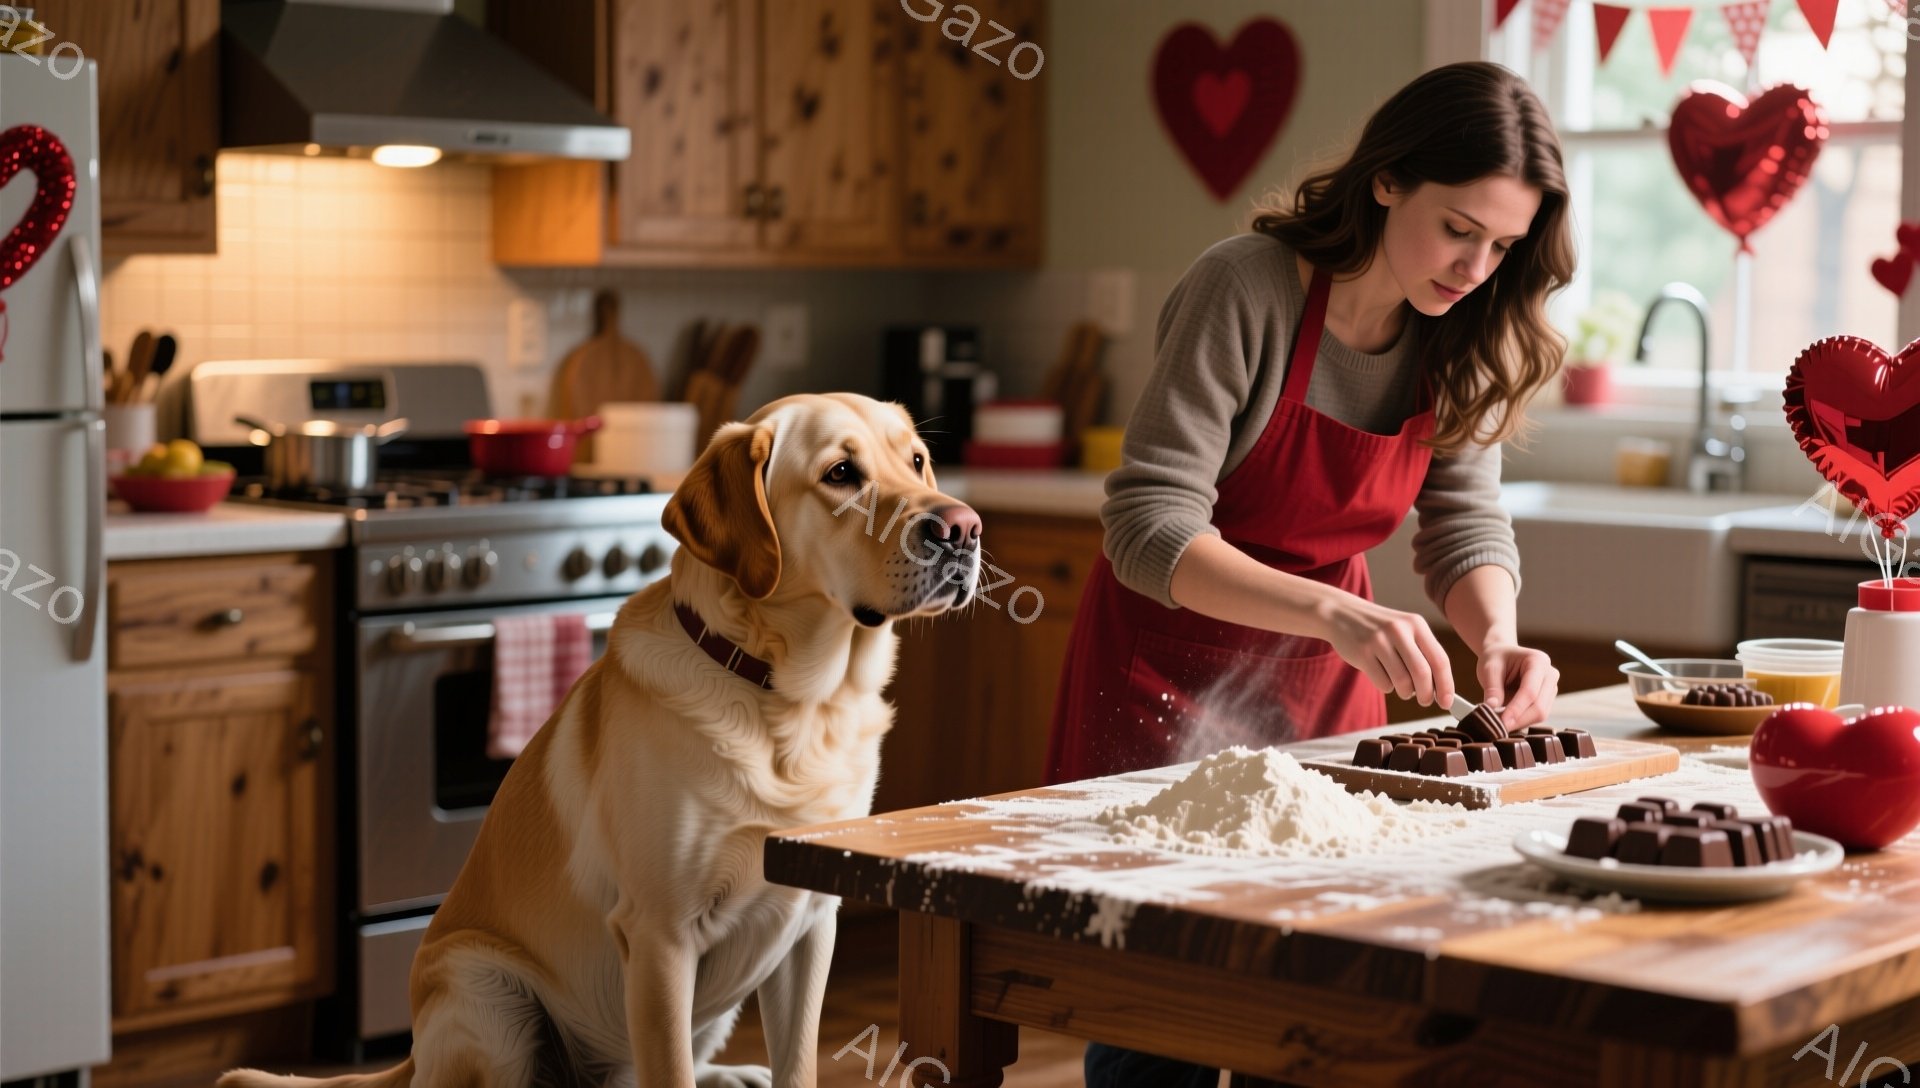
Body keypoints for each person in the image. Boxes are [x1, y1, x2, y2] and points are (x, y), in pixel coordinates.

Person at [1044, 61, 1574, 1087]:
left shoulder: (1467, 328)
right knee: (1161, 1004)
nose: (1476, 265)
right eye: (1459, 227)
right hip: (1162, 673)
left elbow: (1462, 518)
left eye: (1504, 245)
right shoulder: (1246, 285)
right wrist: (1330, 609)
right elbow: (1149, 526)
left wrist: (1497, 634)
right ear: (1386, 180)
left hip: (1324, 689)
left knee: (1313, 1000)